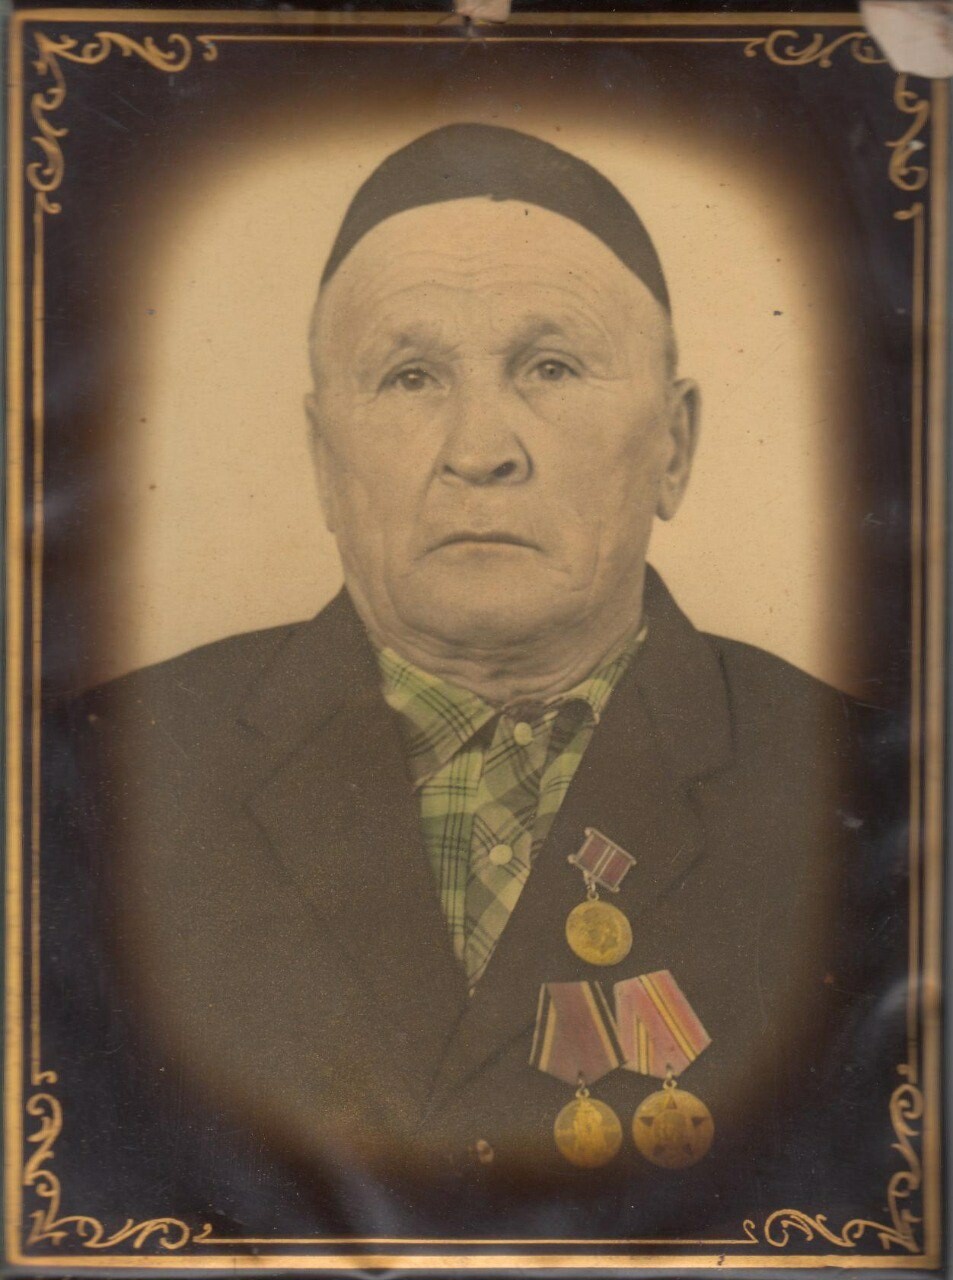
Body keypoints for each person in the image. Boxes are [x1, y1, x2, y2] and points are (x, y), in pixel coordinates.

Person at [44, 124, 905, 1244]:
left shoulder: (881, 794)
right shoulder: (82, 785)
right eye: (409, 377)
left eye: (550, 368)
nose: (479, 448)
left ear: (674, 445)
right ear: (323, 458)